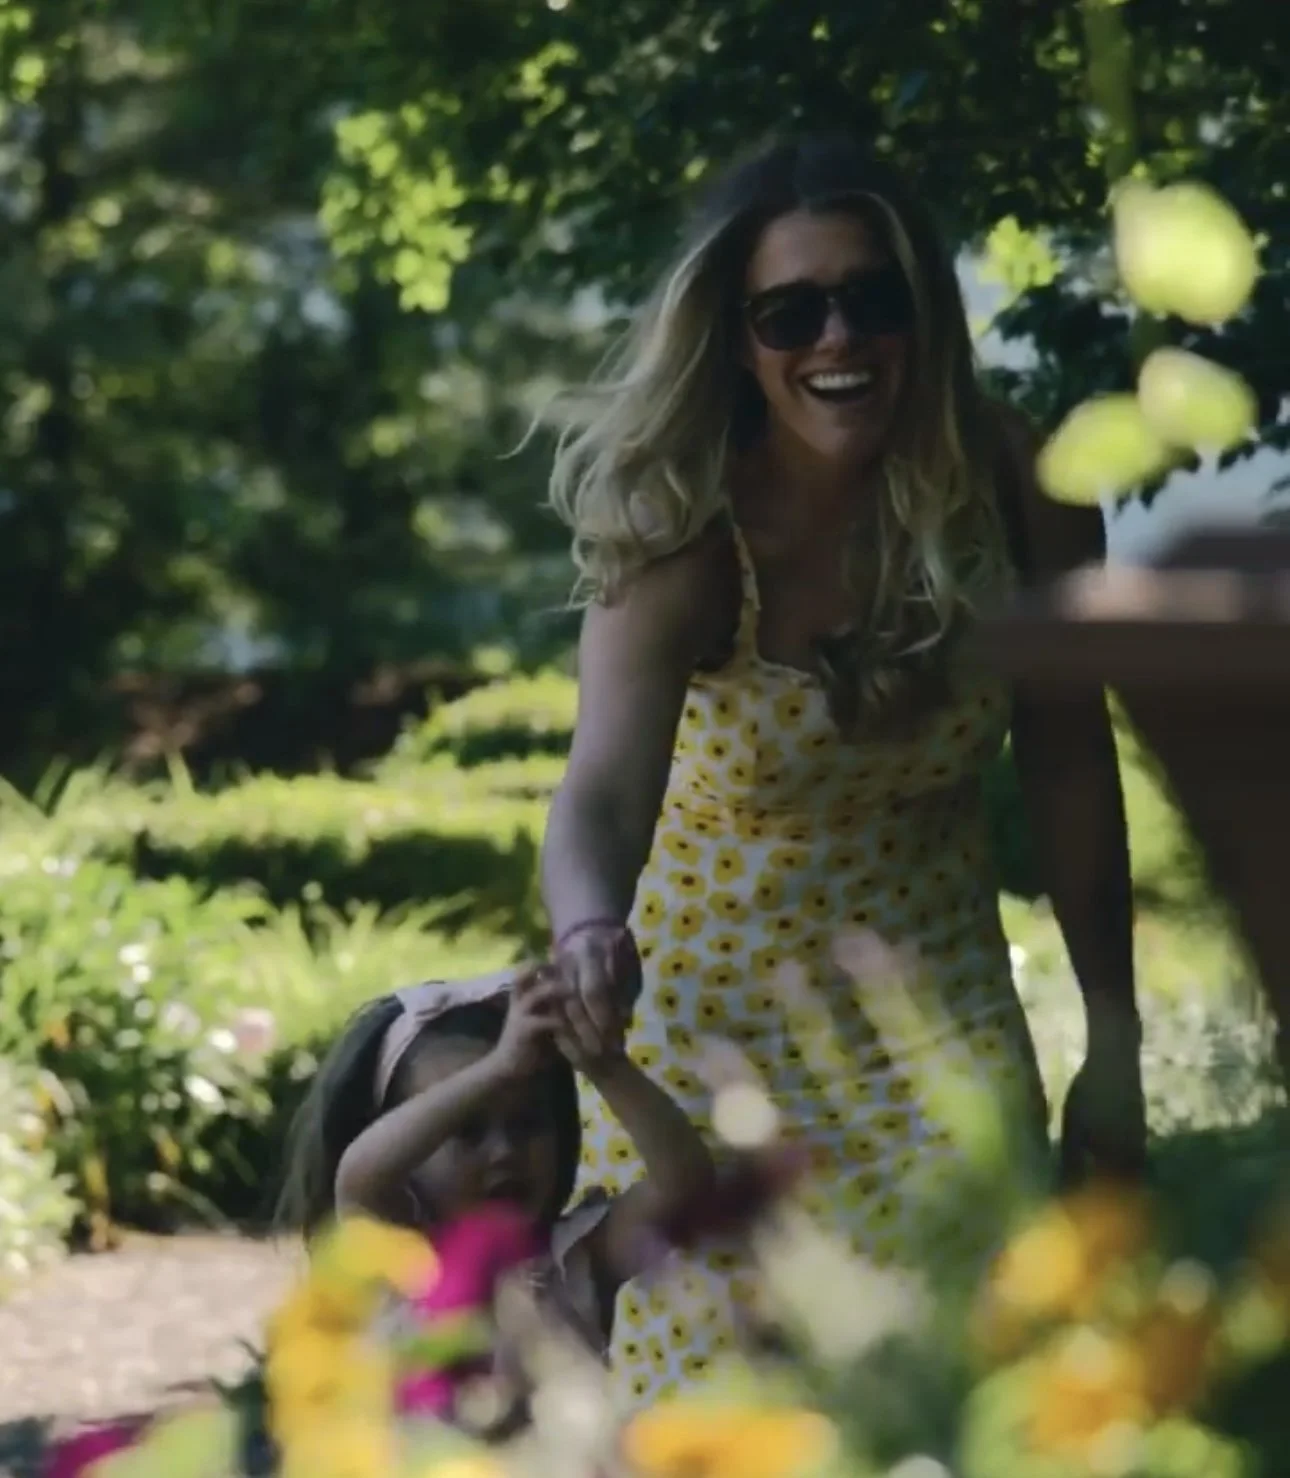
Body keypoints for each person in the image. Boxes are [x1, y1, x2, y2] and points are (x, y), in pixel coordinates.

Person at [538, 133, 1148, 1405]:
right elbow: (598, 788)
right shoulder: (689, 533)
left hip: (938, 1027)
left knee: (962, 1389)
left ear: (923, 307)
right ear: (737, 337)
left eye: (874, 296)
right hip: (715, 1051)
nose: (839, 336)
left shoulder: (1017, 486)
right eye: (791, 309)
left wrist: (1113, 1027)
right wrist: (589, 922)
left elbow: (1073, 770)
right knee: (724, 1407)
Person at [274, 968, 713, 1411]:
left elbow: (686, 1186)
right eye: (467, 1129)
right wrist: (500, 1069)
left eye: (527, 1124)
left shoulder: (576, 1259)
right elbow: (361, 1174)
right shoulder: (395, 1256)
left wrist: (607, 1067)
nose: (504, 1151)